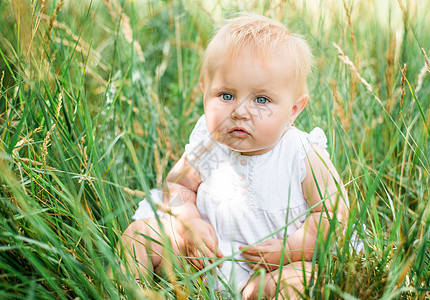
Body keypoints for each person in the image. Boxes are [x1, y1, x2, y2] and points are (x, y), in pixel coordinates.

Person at [120, 13, 351, 299]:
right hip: (201, 263)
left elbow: (332, 215)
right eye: (226, 95)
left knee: (300, 281)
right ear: (204, 91)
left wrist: (291, 249)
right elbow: (179, 187)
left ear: (293, 109)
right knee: (140, 234)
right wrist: (190, 223)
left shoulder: (300, 155)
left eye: (261, 99)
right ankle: (127, 292)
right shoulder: (211, 144)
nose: (240, 111)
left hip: (269, 270)